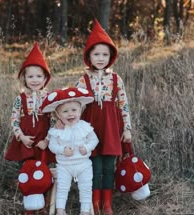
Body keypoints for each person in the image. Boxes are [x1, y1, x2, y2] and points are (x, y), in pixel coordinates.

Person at [75, 19, 132, 215]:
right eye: (96, 54)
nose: (101, 58)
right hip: (91, 128)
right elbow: (75, 105)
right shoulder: (83, 79)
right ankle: (95, 202)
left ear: (111, 56)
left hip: (111, 127)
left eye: (105, 54)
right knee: (94, 166)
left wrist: (127, 129)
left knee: (109, 166)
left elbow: (123, 104)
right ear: (89, 56)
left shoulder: (116, 79)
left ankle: (107, 204)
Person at [4, 42, 54, 215]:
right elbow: (14, 120)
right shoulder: (20, 99)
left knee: (44, 171)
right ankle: (29, 207)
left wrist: (47, 140)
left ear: (45, 78)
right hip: (26, 141)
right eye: (30, 76)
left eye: (38, 76)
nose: (35, 80)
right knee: (27, 171)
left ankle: (44, 204)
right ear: (24, 78)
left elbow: (55, 120)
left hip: (42, 141)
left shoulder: (49, 97)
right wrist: (21, 137)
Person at [41, 87, 99, 215]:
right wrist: (62, 150)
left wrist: (88, 147)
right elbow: (52, 146)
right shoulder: (57, 129)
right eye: (65, 111)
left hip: (83, 164)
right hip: (64, 165)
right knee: (63, 187)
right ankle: (60, 209)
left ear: (81, 110)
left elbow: (94, 140)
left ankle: (85, 211)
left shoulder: (84, 126)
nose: (70, 114)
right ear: (58, 114)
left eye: (74, 110)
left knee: (86, 187)